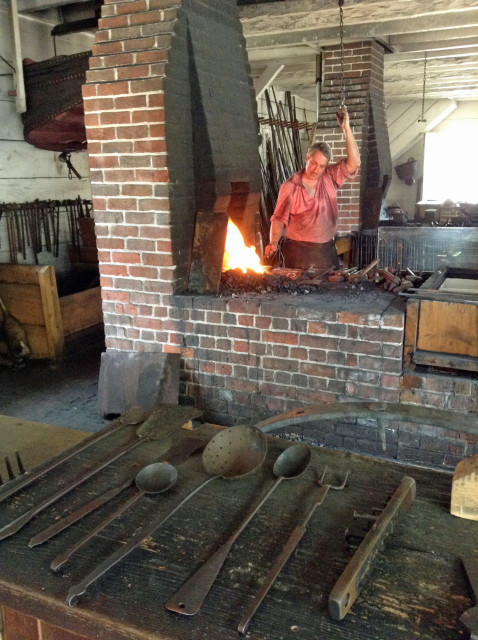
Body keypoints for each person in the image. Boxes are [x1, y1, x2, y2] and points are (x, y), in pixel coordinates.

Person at [264, 108, 360, 270]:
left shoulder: (330, 177)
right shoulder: (290, 187)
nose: (316, 170)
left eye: (321, 166)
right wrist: (273, 242)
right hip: (297, 252)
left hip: (326, 251)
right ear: (307, 158)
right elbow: (279, 219)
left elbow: (354, 163)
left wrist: (346, 128)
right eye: (313, 163)